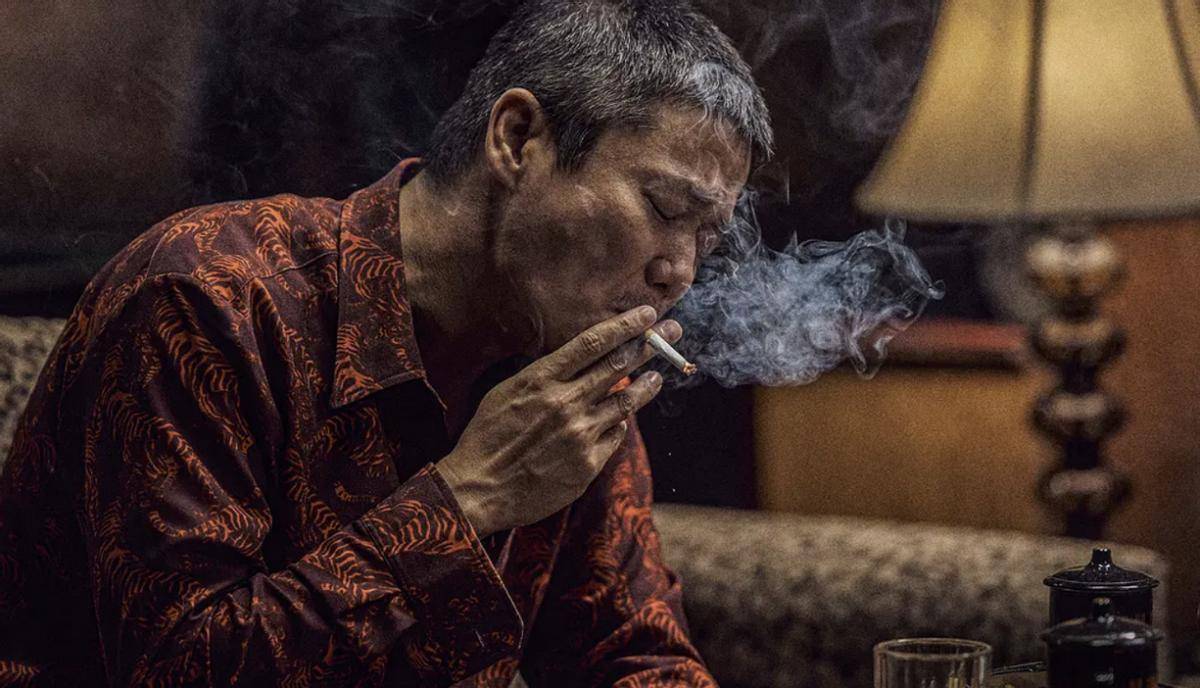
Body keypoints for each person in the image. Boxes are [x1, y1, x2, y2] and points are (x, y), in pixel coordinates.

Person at [0, 0, 772, 685]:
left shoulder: (564, 357)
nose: (679, 272)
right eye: (665, 208)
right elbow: (177, 666)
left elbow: (627, 651)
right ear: (517, 139)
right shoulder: (208, 298)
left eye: (708, 238)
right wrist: (466, 500)